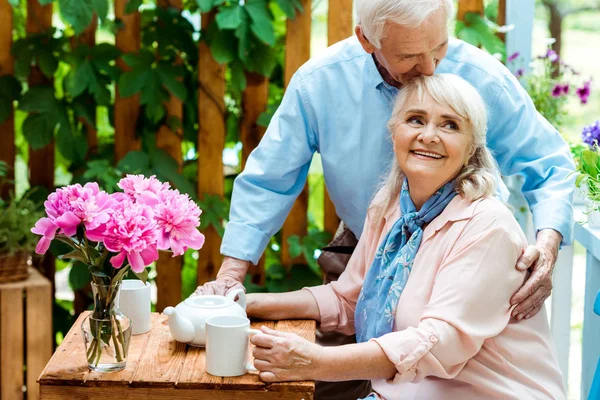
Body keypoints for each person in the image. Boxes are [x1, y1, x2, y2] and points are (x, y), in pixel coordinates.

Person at [195, 0, 574, 397]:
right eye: (409, 55)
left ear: (473, 145)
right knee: (320, 388)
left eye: (439, 48)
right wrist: (234, 289)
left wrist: (546, 247)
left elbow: (548, 164)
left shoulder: (484, 88)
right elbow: (270, 181)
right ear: (366, 39)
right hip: (368, 243)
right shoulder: (328, 98)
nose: (429, 69)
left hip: (464, 259)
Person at [244, 74, 567, 400]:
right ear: (393, 131)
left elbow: (436, 343)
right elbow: (345, 298)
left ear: (471, 148)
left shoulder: (488, 227)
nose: (429, 136)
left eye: (450, 125)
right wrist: (248, 304)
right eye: (416, 120)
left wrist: (315, 362)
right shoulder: (390, 206)